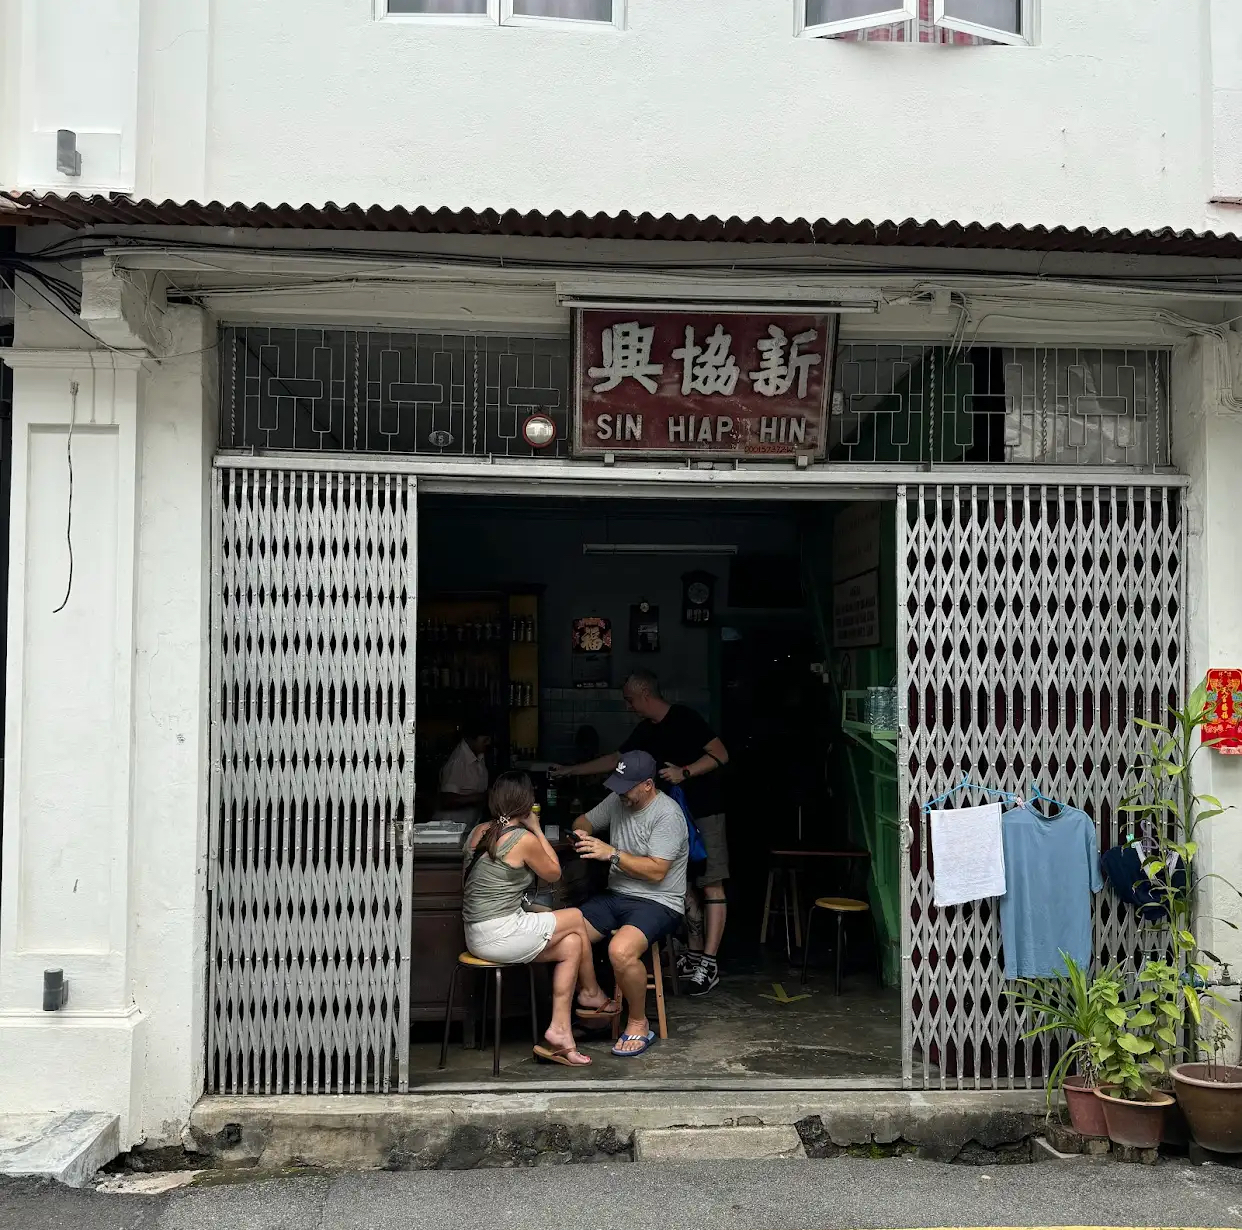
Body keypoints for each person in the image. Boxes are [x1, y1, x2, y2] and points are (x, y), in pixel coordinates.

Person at [553, 671, 729, 996]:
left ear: (645, 693)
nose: (628, 706)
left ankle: (709, 962)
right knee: (685, 884)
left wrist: (684, 771)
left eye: (630, 699)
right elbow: (616, 760)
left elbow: (721, 753)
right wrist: (571, 770)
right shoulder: (646, 730)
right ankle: (691, 956)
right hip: (673, 812)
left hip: (702, 810)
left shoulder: (685, 718)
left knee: (711, 883)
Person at [462, 772, 617, 1067]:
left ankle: (560, 1032)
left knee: (572, 943)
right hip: (499, 934)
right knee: (575, 917)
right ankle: (591, 994)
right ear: (527, 803)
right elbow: (554, 874)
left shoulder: (479, 831)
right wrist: (536, 828)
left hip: (477, 934)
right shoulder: (521, 839)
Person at [571, 751, 689, 1057]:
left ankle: (638, 1022)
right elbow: (583, 820)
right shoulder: (618, 800)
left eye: (627, 787)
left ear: (648, 785)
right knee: (566, 930)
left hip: (659, 901)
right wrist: (581, 831)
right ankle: (595, 999)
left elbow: (657, 871)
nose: (620, 792)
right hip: (617, 895)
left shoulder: (668, 815)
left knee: (619, 951)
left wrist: (612, 853)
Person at [432, 719, 492, 827]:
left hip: (468, 825)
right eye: (485, 740)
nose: (488, 743)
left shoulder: (479, 756)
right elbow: (447, 800)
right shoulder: (457, 762)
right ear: (471, 740)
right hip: (449, 828)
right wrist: (481, 797)